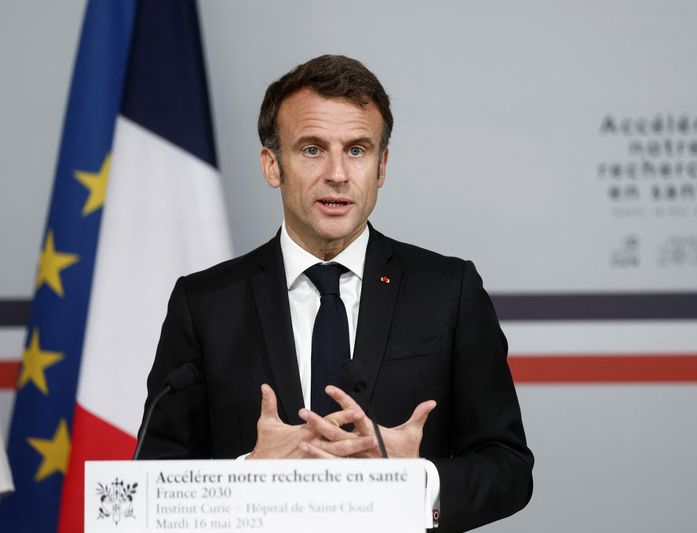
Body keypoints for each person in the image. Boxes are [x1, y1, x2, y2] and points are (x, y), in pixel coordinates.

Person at [138, 55, 533, 531]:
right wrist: (246, 476)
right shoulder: (204, 303)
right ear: (272, 165)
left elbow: (508, 465)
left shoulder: (449, 290)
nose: (338, 174)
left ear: (381, 166)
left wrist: (419, 480)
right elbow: (153, 478)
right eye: (311, 149)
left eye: (358, 150)